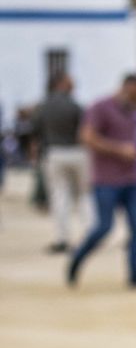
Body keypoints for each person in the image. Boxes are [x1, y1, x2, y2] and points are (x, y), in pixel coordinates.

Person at [67, 74, 136, 289]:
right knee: (104, 227)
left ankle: (135, 275)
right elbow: (86, 137)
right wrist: (118, 149)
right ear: (127, 88)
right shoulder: (101, 107)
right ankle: (77, 258)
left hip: (132, 179)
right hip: (106, 180)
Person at [36, 73, 89, 254]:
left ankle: (62, 238)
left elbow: (36, 131)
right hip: (78, 152)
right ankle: (90, 235)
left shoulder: (43, 107)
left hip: (54, 152)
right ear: (60, 84)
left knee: (60, 197)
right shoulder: (75, 106)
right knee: (84, 195)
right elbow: (86, 129)